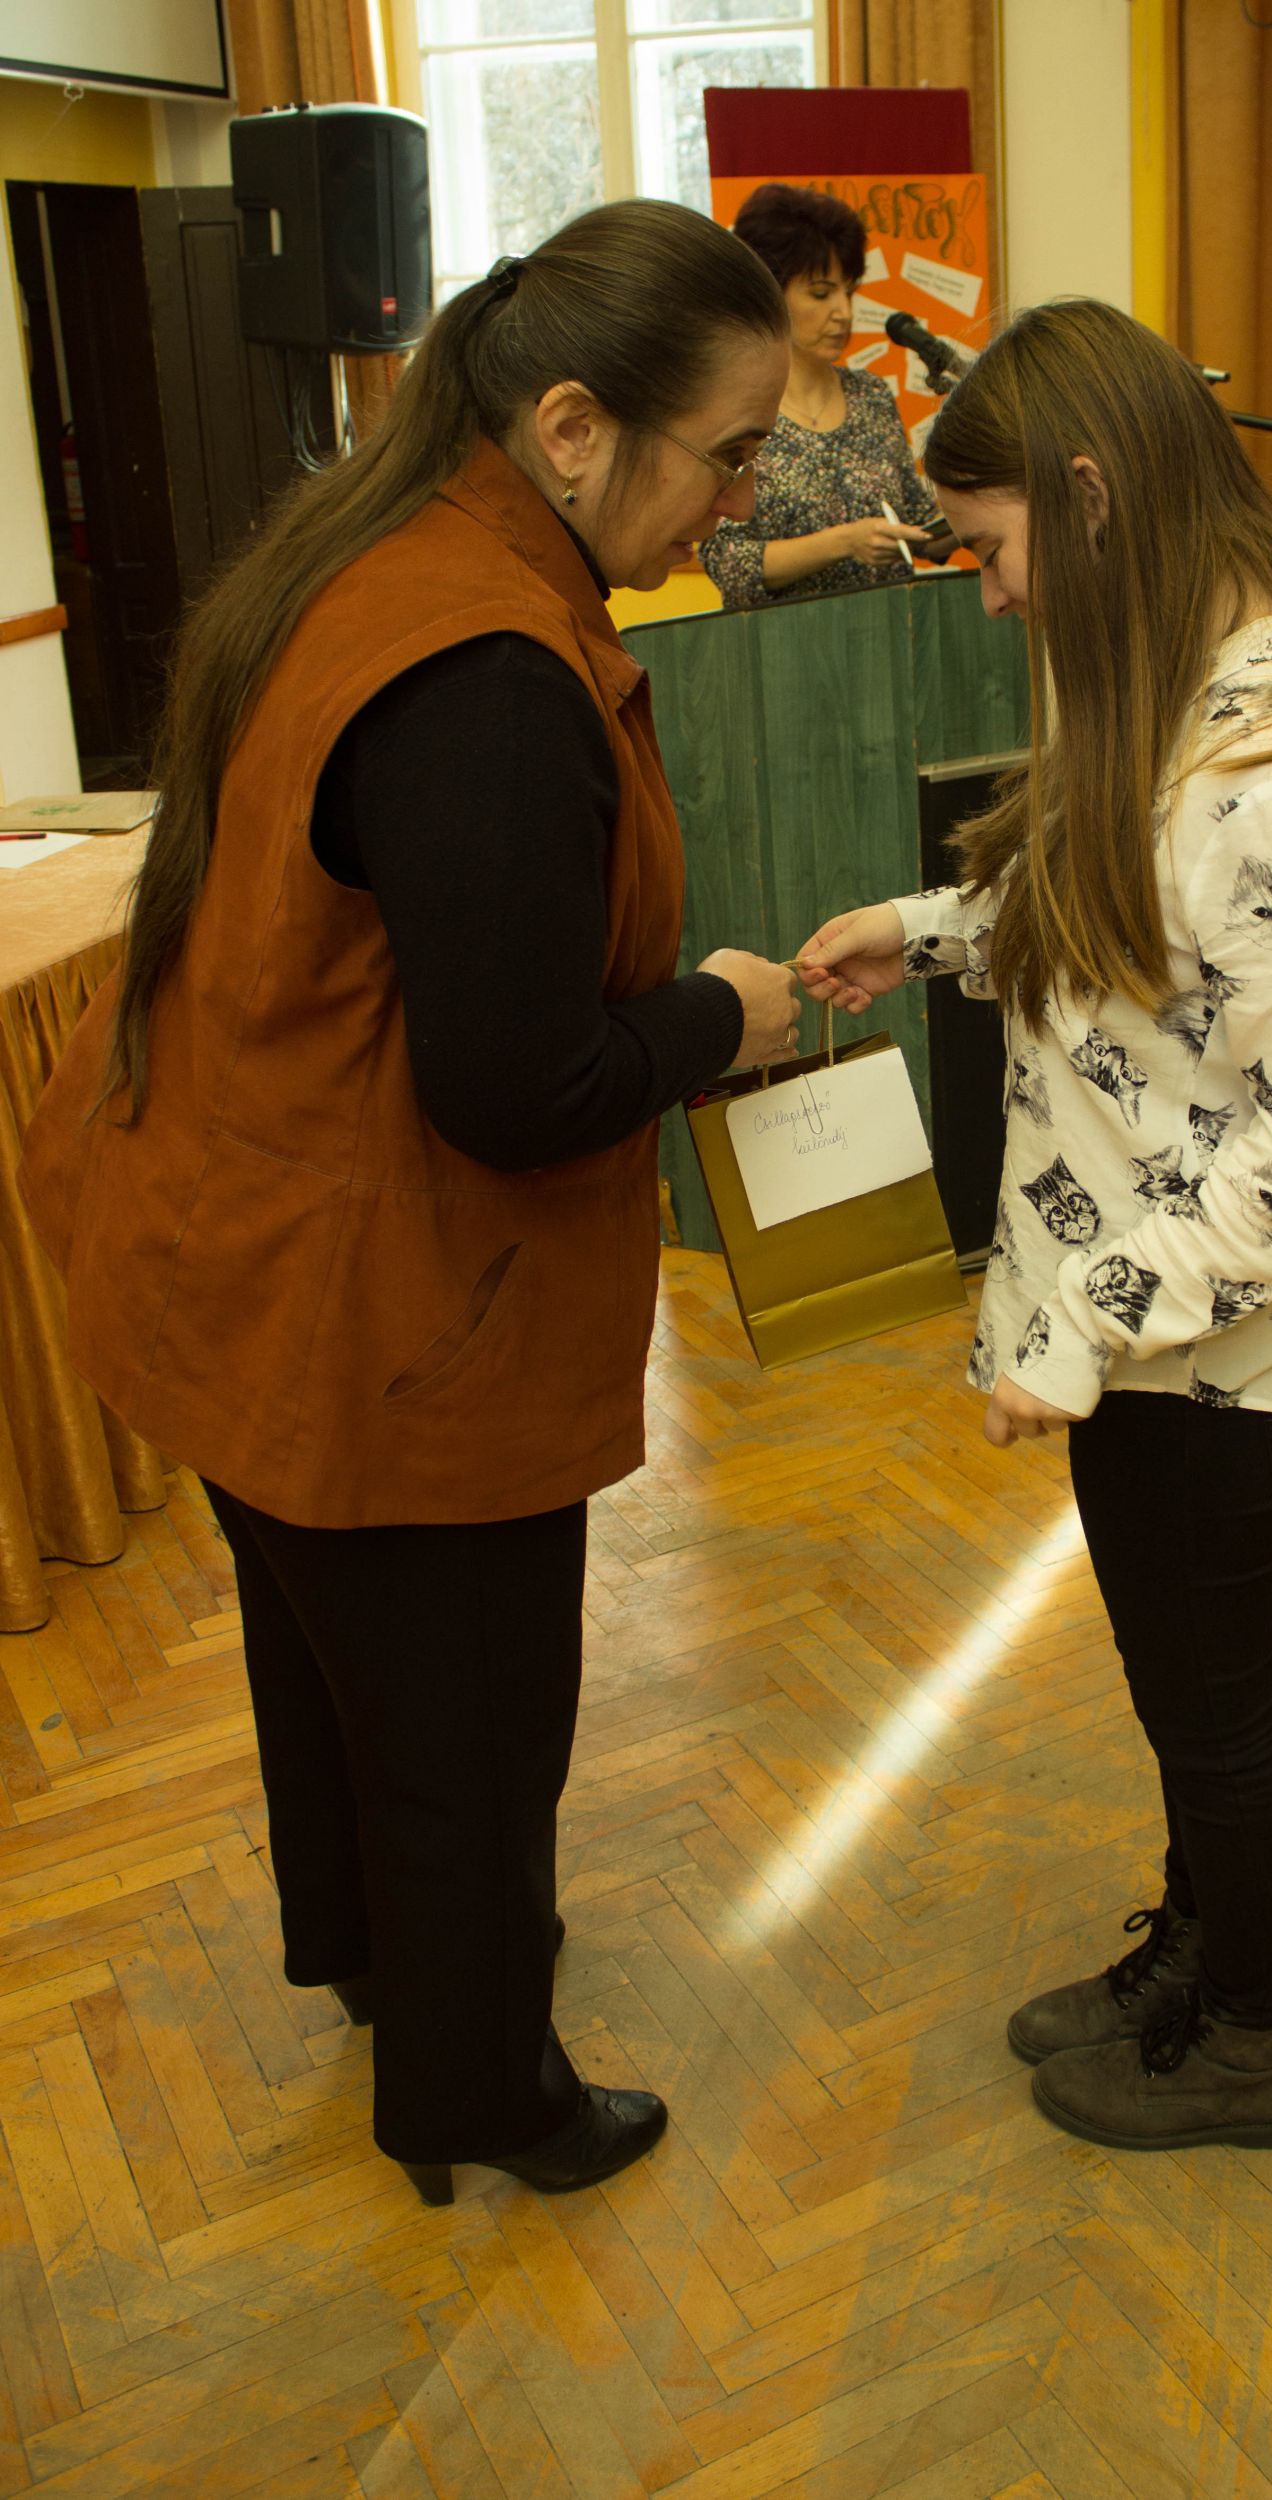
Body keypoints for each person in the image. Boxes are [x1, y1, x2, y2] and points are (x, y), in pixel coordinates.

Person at [20, 200, 803, 2207]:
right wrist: (719, 1018)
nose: (739, 499)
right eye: (726, 452)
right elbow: (515, 1088)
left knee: (339, 1673)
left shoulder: (377, 555)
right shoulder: (485, 671)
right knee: (467, 1724)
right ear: (572, 427)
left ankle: (380, 1963)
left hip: (252, 1260)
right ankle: (480, 2096)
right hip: (383, 1312)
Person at [798, 299, 1272, 2154]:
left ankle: (1256, 2041)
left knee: (1216, 1705)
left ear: (1084, 495)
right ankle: (1200, 1959)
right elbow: (1130, 930)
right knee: (1180, 1688)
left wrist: (1078, 1320)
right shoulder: (1174, 685)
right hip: (1143, 1320)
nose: (989, 595)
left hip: (1213, 1345)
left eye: (988, 550)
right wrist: (919, 932)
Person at [701, 182, 948, 606]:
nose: (844, 313)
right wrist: (845, 543)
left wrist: (973, 515)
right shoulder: (733, 406)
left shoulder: (871, 395)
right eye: (821, 293)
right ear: (769, 293)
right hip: (783, 641)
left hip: (891, 631)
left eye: (849, 292)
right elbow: (728, 562)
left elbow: (917, 523)